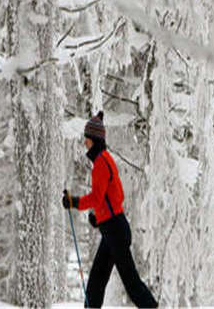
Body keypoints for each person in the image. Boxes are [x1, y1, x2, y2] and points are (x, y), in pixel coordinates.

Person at [62, 111, 158, 308]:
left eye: (86, 139)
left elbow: (97, 197)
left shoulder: (101, 163)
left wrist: (74, 202)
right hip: (113, 229)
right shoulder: (105, 160)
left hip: (115, 231)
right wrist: (100, 219)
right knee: (97, 281)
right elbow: (115, 196)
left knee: (130, 283)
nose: (85, 143)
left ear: (94, 139)